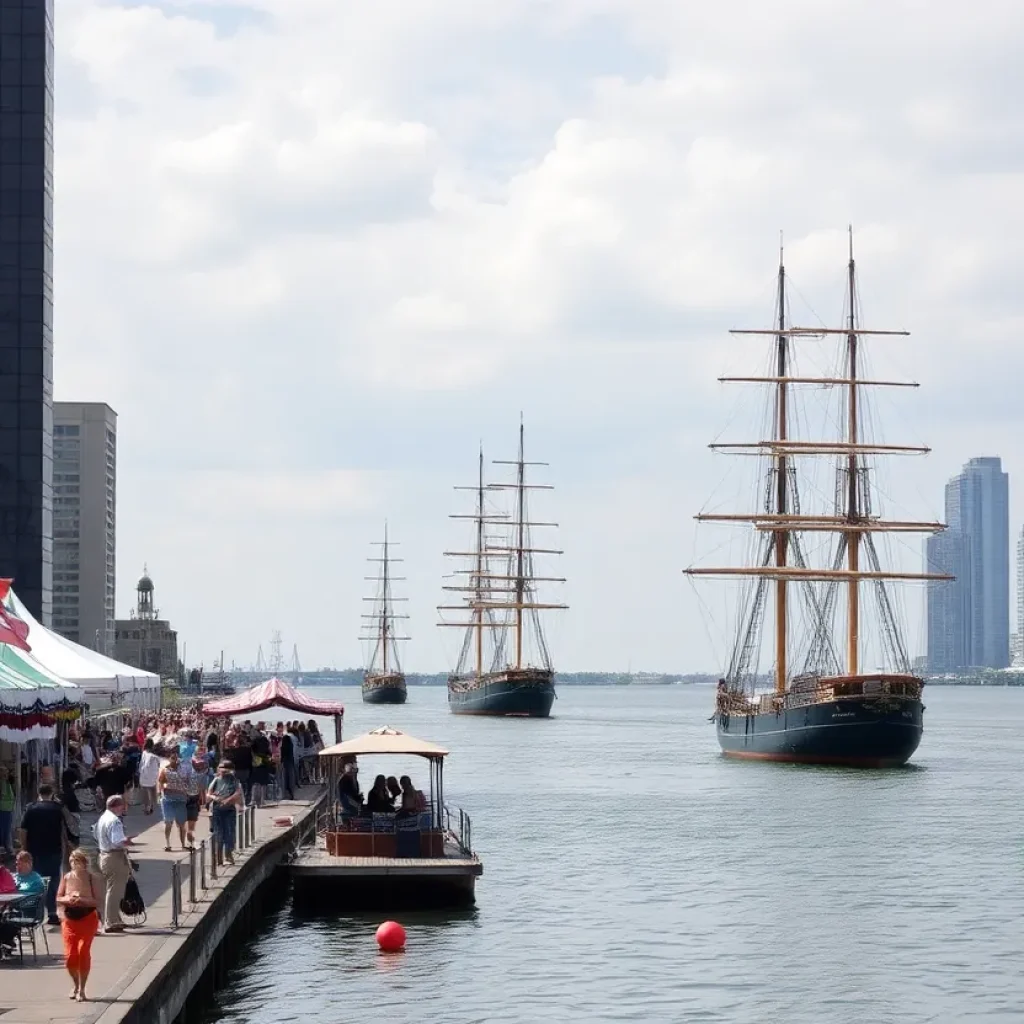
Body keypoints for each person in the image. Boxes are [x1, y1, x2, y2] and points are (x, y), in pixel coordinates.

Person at [57, 848, 102, 1001]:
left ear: (84, 863)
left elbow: (97, 901)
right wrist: (68, 899)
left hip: (88, 918)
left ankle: (82, 989)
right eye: (71, 861)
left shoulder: (91, 878)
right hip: (69, 920)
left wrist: (82, 900)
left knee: (83, 951)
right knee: (70, 956)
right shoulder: (67, 877)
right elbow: (58, 897)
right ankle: (75, 984)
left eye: (77, 861)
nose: (74, 864)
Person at [17, 783, 64, 924]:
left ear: (39, 793)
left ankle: (33, 910)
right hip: (54, 849)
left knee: (35, 881)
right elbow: (64, 831)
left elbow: (23, 831)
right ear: (52, 793)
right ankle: (52, 912)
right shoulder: (58, 809)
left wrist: (23, 848)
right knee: (54, 880)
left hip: (34, 850)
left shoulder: (30, 809)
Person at [95, 795, 135, 933]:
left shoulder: (103, 818)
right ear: (117, 806)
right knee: (115, 890)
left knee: (111, 889)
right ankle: (111, 921)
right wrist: (127, 840)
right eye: (123, 805)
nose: (124, 808)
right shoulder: (115, 821)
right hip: (114, 857)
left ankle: (115, 919)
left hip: (104, 855)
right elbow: (117, 841)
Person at [207, 761, 243, 866]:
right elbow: (209, 794)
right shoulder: (216, 780)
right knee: (219, 834)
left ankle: (228, 854)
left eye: (226, 770)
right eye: (221, 769)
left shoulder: (234, 780)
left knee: (230, 833)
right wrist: (217, 798)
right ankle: (219, 858)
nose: (224, 772)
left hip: (230, 809)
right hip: (217, 809)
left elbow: (238, 792)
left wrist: (228, 800)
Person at [158, 748, 188, 852]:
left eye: (176, 758)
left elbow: (188, 782)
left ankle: (183, 845)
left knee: (181, 824)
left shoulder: (184, 770)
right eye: (172, 758)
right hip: (168, 800)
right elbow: (160, 782)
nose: (174, 760)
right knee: (168, 823)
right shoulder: (165, 770)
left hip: (181, 799)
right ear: (169, 759)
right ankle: (167, 844)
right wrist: (160, 792)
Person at [138, 739, 160, 815]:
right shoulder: (154, 755)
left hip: (145, 775)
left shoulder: (144, 753)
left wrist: (140, 772)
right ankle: (150, 806)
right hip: (152, 775)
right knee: (150, 790)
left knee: (146, 792)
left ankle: (148, 807)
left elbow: (142, 763)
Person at [0, 764, 14, 852]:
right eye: (4, 773)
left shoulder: (7, 782)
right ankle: (3, 846)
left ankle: (5, 845)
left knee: (6, 828)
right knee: (3, 828)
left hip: (8, 808)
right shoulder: (2, 782)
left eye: (7, 773)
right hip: (3, 808)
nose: (6, 775)